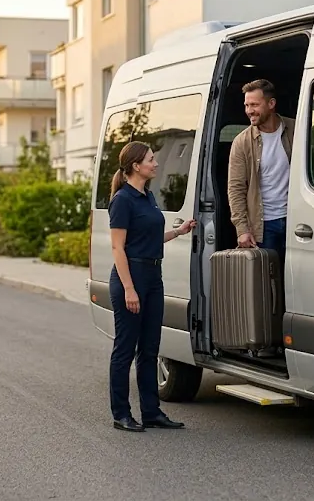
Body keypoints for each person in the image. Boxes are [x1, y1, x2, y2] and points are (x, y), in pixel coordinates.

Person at [108, 141, 196, 432]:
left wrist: (179, 231)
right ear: (136, 166)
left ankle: (151, 412)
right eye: (151, 159)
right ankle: (121, 413)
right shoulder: (123, 200)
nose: (156, 163)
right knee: (125, 349)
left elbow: (148, 239)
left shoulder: (147, 197)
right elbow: (118, 249)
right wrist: (130, 290)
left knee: (149, 349)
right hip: (130, 276)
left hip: (153, 277)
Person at [228, 78, 295, 264]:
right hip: (265, 226)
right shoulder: (242, 142)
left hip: (297, 220)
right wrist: (242, 229)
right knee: (269, 283)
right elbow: (235, 189)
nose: (249, 110)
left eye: (255, 105)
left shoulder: (296, 129)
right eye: (247, 105)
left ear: (271, 103)